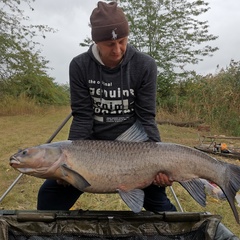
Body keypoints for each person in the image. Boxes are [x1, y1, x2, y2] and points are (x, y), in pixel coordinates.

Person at [37, 1, 176, 212]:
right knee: (48, 197)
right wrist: (70, 164)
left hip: (135, 151)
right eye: (110, 44)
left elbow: (146, 117)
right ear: (96, 42)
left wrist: (157, 161)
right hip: (91, 149)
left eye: (122, 41)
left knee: (161, 208)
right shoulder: (80, 65)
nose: (118, 49)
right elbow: (82, 116)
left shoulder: (145, 65)